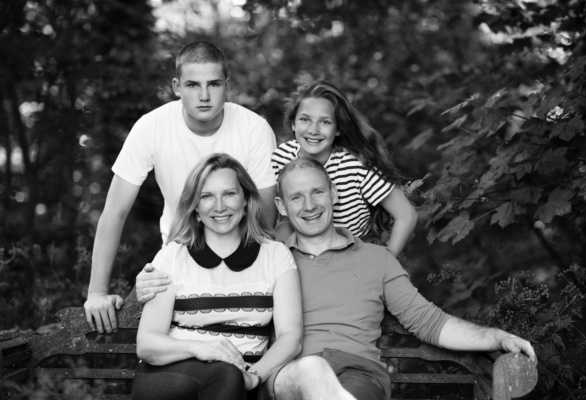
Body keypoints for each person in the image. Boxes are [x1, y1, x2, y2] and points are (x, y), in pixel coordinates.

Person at [137, 158, 537, 400]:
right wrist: (144, 283)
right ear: (281, 206)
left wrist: (495, 336)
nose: (309, 206)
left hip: (358, 375)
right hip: (289, 377)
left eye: (317, 193)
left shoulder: (377, 259)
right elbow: (205, 262)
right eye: (296, 197)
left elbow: (429, 322)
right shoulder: (272, 253)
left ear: (334, 194)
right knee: (311, 371)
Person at [85, 41, 279, 334]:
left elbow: (265, 219)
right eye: (192, 85)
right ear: (177, 86)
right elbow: (115, 212)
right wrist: (97, 292)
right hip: (179, 259)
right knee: (165, 351)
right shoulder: (152, 126)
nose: (204, 96)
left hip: (245, 258)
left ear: (227, 85)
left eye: (213, 84)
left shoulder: (254, 128)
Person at [131, 154, 302, 400]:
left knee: (229, 375)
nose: (219, 206)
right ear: (196, 208)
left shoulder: (275, 255)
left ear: (246, 200)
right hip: (170, 377)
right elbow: (147, 344)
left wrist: (253, 376)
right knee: (226, 374)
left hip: (240, 383)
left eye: (229, 193)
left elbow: (291, 337)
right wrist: (201, 348)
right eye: (206, 196)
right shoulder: (171, 257)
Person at [271, 80, 418, 257]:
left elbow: (406, 215)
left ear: (338, 129)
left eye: (325, 122)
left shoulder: (356, 166)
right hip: (307, 256)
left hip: (354, 257)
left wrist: (385, 266)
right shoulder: (282, 157)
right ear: (293, 124)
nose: (313, 130)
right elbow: (285, 216)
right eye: (305, 119)